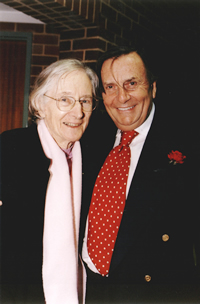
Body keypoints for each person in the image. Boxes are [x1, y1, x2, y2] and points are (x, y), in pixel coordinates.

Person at [79, 46, 200, 303]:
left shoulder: (188, 146)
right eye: (110, 87)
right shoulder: (89, 137)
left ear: (152, 88)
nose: (121, 97)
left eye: (131, 83)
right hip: (84, 286)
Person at [0, 58, 98, 303]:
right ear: (41, 105)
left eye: (85, 100)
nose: (78, 112)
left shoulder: (93, 157)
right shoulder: (11, 147)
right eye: (65, 100)